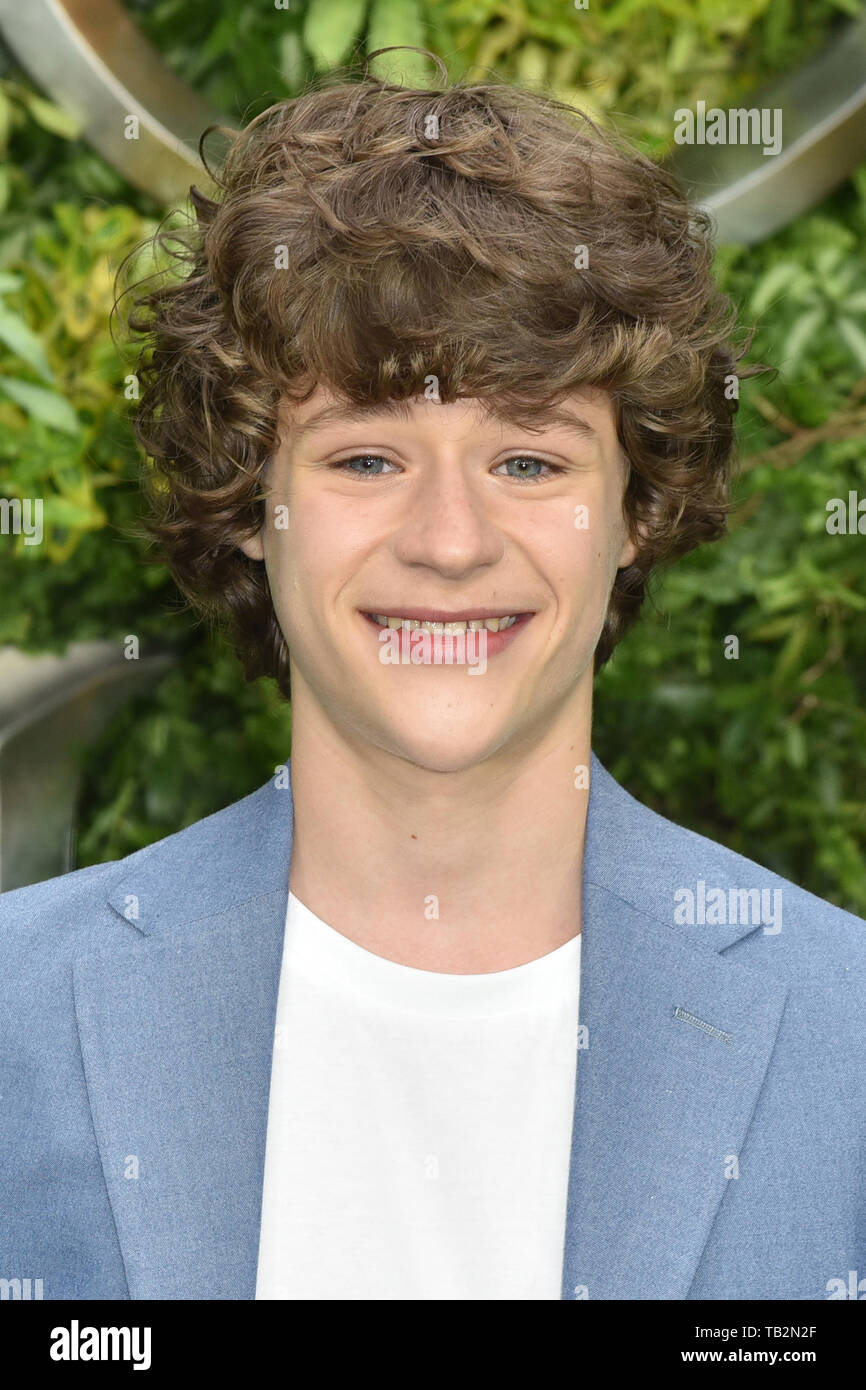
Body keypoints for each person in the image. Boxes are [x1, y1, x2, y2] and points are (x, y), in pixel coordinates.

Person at [1, 56, 863, 1302]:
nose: (449, 541)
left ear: (635, 508)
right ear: (251, 500)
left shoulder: (843, 1037)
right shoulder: (18, 1018)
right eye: (363, 458)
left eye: (525, 461)